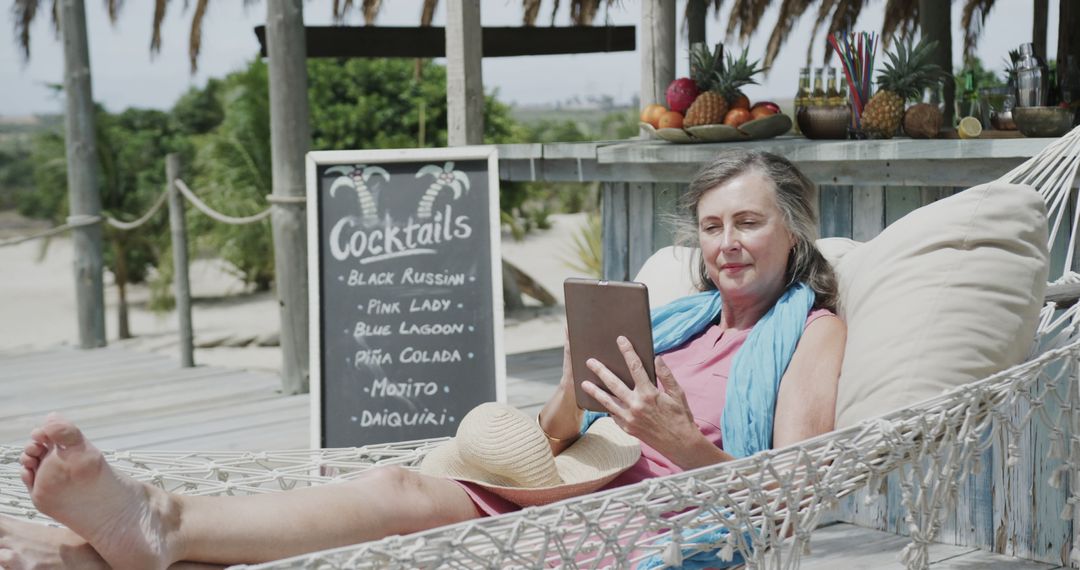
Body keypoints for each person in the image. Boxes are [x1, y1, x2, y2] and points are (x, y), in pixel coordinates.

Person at [1, 150, 845, 570]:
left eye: (748, 223)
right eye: (712, 226)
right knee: (395, 487)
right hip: (571, 478)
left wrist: (676, 435)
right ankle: (155, 520)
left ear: (793, 228)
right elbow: (559, 433)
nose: (727, 244)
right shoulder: (676, 318)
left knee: (405, 543)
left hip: (660, 519)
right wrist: (571, 394)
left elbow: (791, 496)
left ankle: (89, 552)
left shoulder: (810, 332)